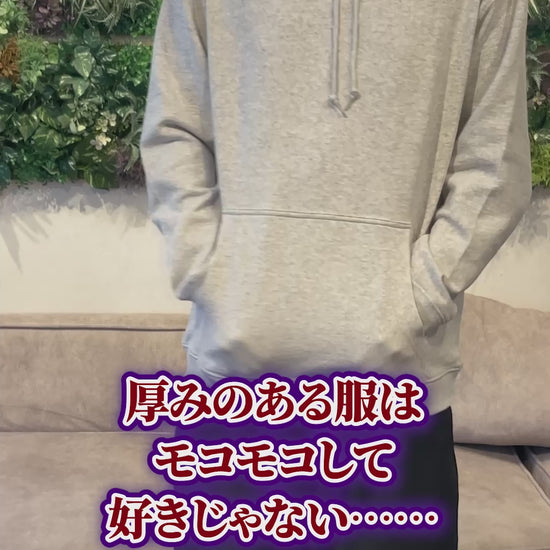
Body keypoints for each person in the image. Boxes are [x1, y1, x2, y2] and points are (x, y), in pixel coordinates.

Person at [140, 1, 532, 548]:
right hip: (234, 386)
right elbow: (174, 128)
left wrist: (418, 296)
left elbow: (494, 163)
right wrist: (208, 271)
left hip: (398, 396)